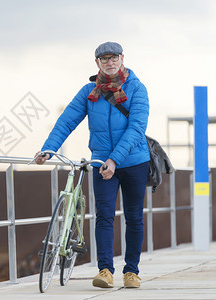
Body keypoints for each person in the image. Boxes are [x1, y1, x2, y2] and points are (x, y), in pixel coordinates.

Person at [35, 41, 150, 289]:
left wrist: (115, 159)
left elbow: (137, 128)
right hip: (101, 162)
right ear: (97, 62)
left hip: (133, 162)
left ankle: (131, 272)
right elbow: (67, 121)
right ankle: (105, 271)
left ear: (122, 58)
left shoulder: (137, 89)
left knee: (134, 217)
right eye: (104, 59)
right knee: (104, 216)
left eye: (114, 58)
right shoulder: (90, 91)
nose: (110, 62)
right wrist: (49, 149)